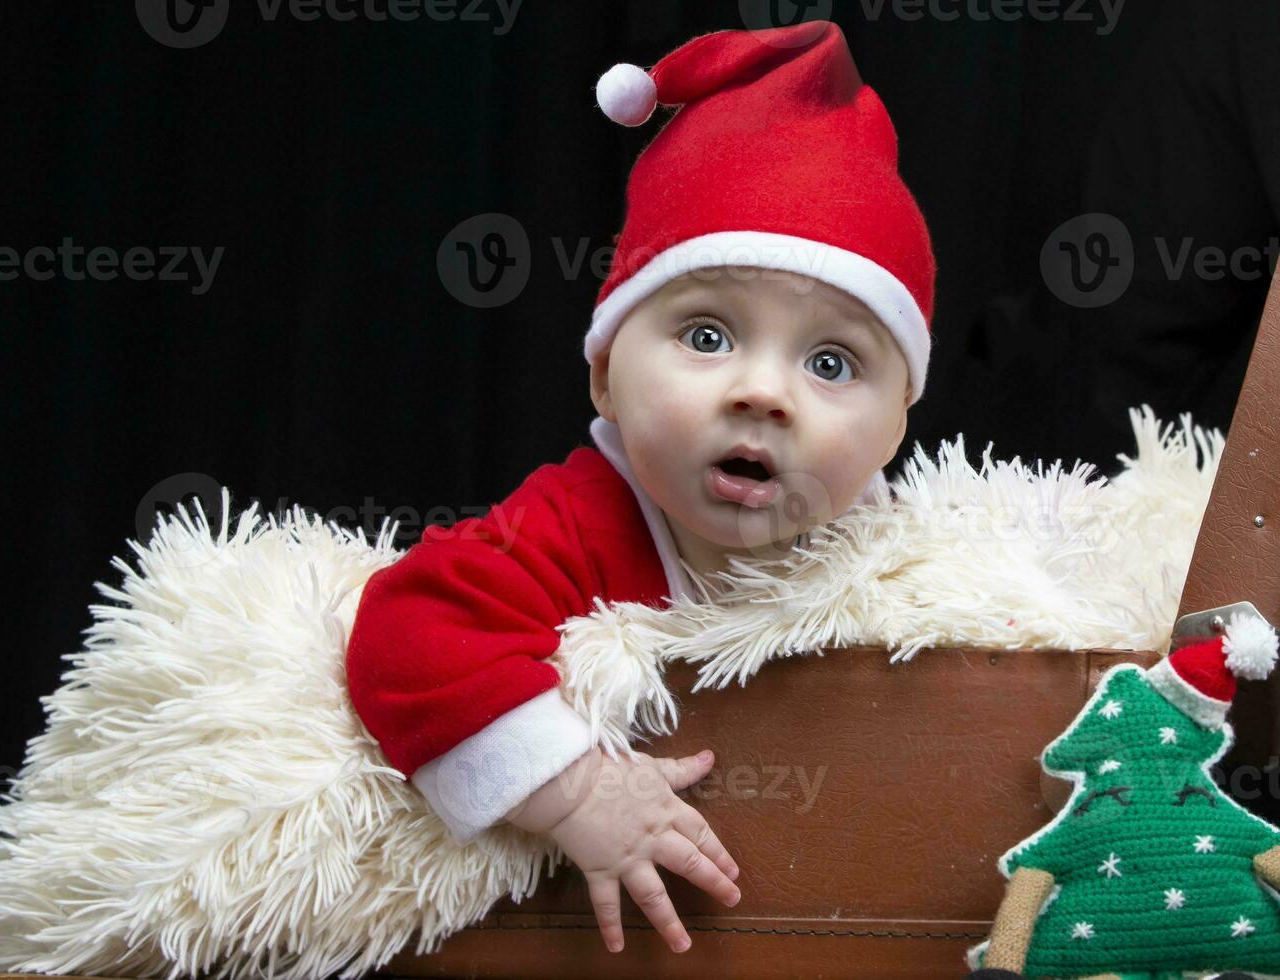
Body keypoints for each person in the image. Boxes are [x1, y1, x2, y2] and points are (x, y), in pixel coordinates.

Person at [345, 19, 934, 956]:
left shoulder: (907, 554)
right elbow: (406, 635)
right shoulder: (573, 523)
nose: (761, 392)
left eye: (831, 360)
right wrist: (574, 787)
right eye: (707, 335)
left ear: (899, 421)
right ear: (603, 373)